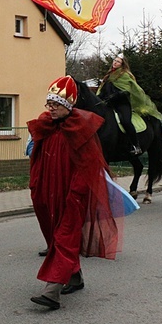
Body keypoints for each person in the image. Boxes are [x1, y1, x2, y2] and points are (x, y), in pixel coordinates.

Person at [28, 76, 122, 310]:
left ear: (68, 106)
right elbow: (36, 159)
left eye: (56, 105)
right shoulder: (46, 126)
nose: (50, 109)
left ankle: (52, 292)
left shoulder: (81, 129)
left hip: (73, 195)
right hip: (47, 194)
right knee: (54, 236)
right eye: (48, 104)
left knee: (65, 237)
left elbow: (89, 166)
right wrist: (35, 187)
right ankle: (75, 276)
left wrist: (77, 193)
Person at [97, 54, 162, 155]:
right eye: (114, 60)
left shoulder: (125, 75)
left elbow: (128, 90)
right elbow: (103, 91)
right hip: (109, 105)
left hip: (122, 104)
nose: (115, 62)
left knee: (126, 121)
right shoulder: (108, 76)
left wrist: (116, 95)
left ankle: (136, 145)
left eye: (118, 62)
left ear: (122, 64)